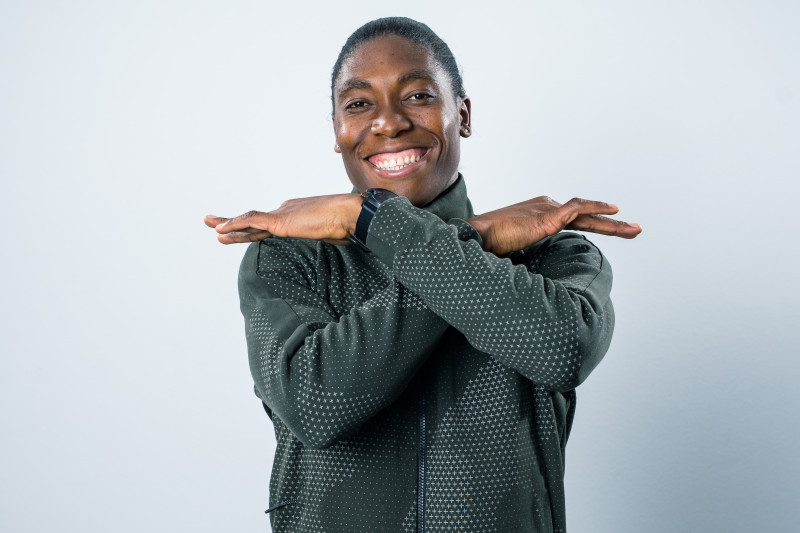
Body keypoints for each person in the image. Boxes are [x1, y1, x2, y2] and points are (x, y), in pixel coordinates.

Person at [205, 17, 641, 533]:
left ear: (463, 113)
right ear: (336, 131)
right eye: (359, 103)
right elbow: (316, 404)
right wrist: (472, 238)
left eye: (416, 95)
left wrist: (370, 217)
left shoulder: (552, 252)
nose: (388, 123)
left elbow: (562, 348)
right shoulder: (288, 257)